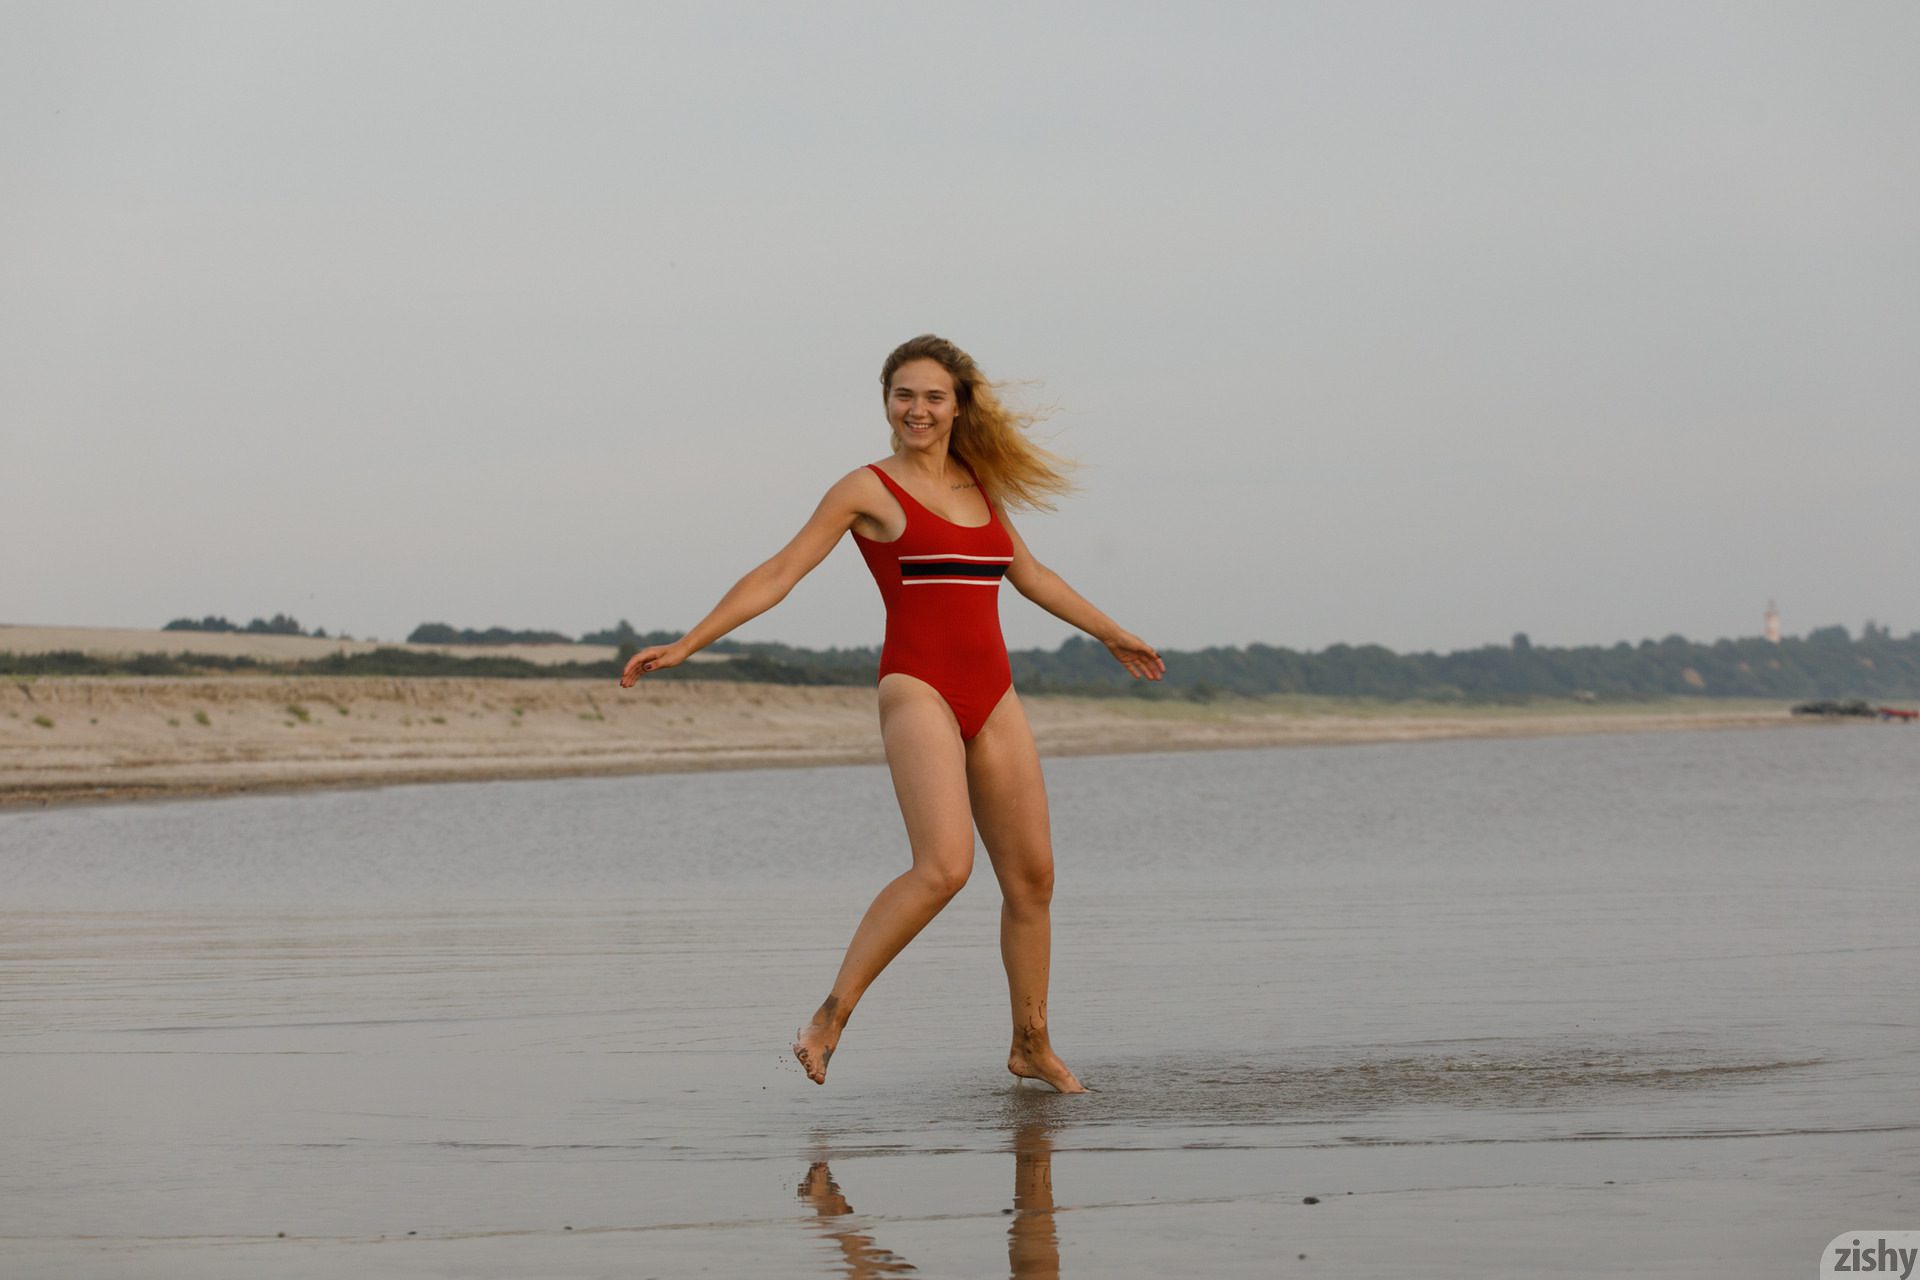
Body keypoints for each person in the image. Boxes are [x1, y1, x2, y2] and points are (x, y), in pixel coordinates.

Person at [620, 334, 1164, 1093]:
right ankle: (830, 1017)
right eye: (904, 394)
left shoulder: (982, 484)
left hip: (994, 692)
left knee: (1033, 879)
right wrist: (690, 643)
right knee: (944, 868)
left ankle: (1031, 1043)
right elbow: (780, 572)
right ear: (886, 402)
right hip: (919, 686)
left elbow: (1031, 575)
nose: (918, 409)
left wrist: (1111, 632)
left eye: (933, 396)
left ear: (958, 405)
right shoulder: (866, 489)